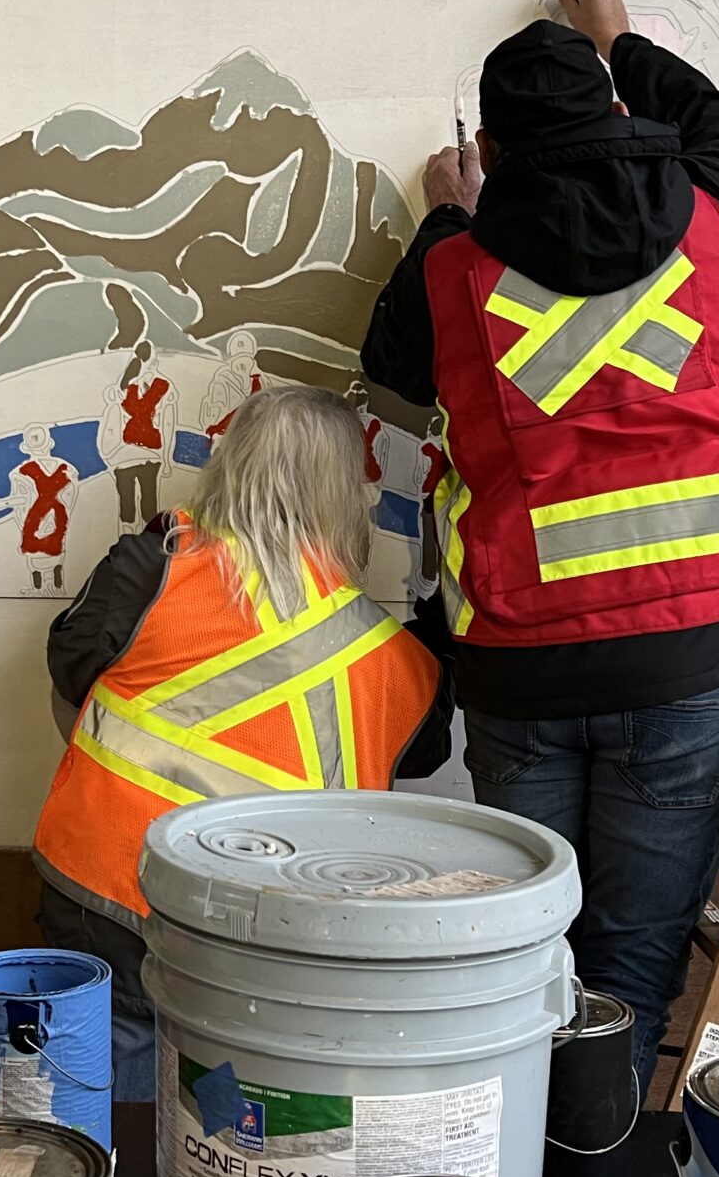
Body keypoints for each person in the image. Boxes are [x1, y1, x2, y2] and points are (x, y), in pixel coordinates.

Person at [363, 0, 719, 1094]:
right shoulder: (716, 215)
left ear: (491, 150)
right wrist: (616, 40)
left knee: (524, 952)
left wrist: (447, 214)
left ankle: (518, 1171)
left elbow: (390, 368)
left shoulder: (455, 269)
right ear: (616, 112)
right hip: (687, 659)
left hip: (521, 669)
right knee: (632, 963)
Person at [31, 382, 451, 1097]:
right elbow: (425, 753)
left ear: (232, 462)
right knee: (241, 1118)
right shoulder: (401, 662)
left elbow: (69, 668)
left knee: (103, 1105)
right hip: (275, 933)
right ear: (347, 491)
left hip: (109, 891)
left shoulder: (152, 568)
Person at [99, 342, 175, 529]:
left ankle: (135, 542)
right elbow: (167, 426)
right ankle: (136, 542)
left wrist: (166, 458)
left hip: (141, 456)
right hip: (130, 456)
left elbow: (168, 425)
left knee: (141, 508)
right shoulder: (127, 389)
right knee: (135, 509)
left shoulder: (135, 388)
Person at [2, 423, 77, 592]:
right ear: (50, 443)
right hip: (54, 517)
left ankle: (43, 585)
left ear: (25, 447)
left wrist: (6, 504)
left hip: (37, 519)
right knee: (53, 548)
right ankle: (52, 585)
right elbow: (70, 495)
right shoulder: (66, 469)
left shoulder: (20, 472)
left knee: (39, 550)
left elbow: (20, 501)